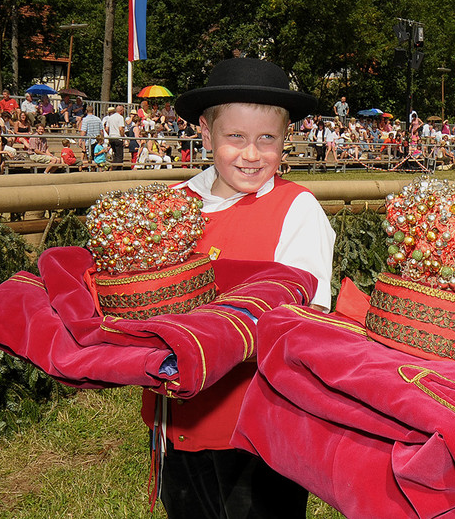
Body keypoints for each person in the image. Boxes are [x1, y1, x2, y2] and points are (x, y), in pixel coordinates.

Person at [142, 57, 334, 519]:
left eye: (267, 138)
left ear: (285, 139)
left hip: (259, 426)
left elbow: (306, 320)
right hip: (177, 419)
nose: (252, 154)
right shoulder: (172, 206)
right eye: (235, 137)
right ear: (207, 135)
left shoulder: (296, 209)